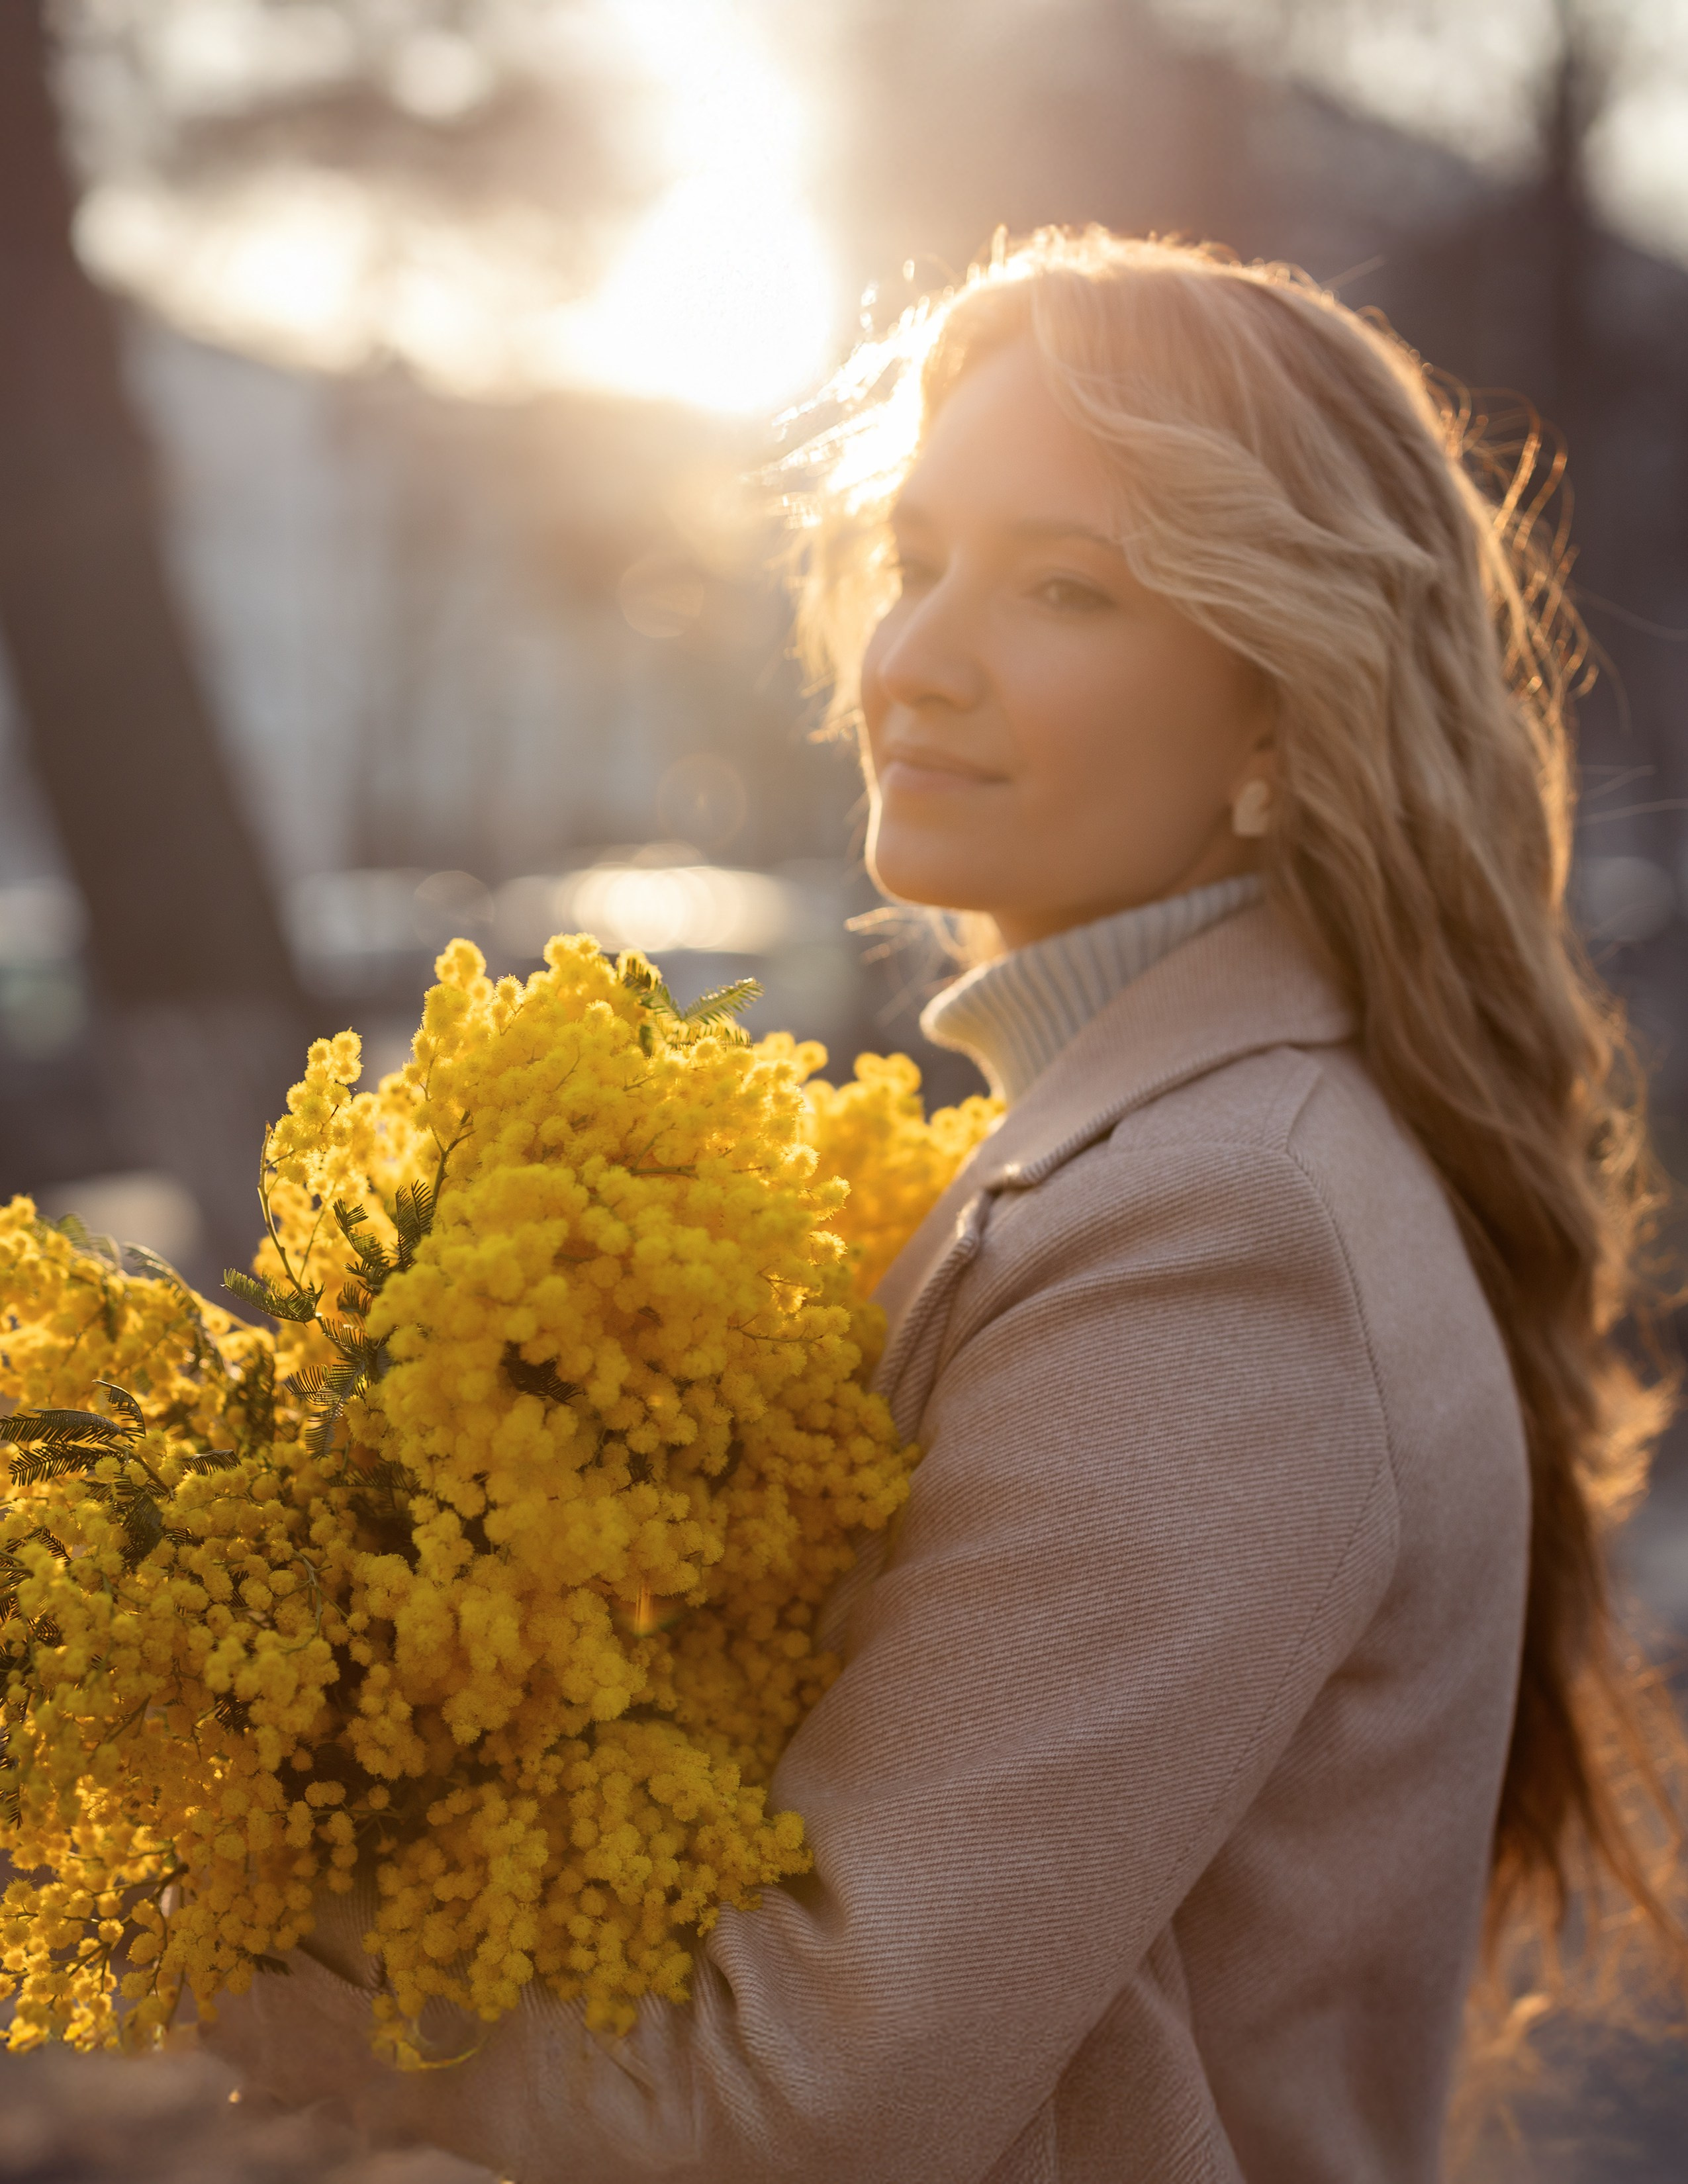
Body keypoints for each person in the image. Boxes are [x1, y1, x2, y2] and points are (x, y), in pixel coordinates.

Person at [205, 229, 1684, 2181]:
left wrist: (217, 1897)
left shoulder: (1223, 1235)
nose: (915, 658)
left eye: (1065, 586)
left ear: (1280, 720)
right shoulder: (1120, 1148)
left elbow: (809, 2081)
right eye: (917, 562)